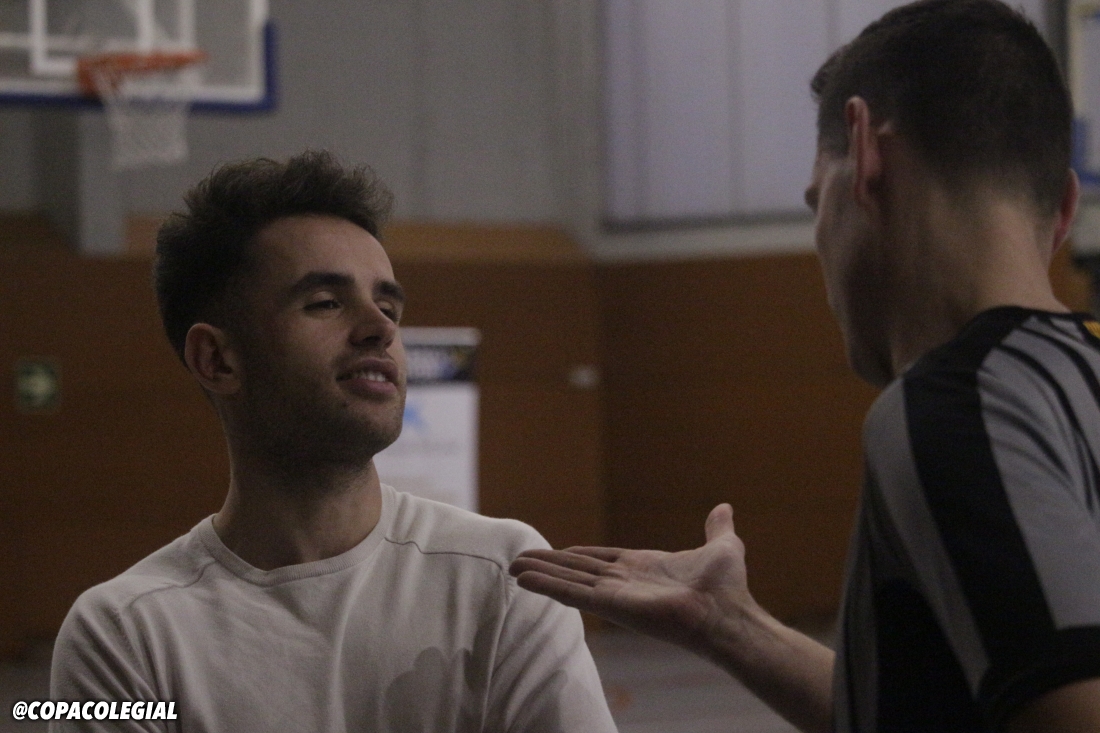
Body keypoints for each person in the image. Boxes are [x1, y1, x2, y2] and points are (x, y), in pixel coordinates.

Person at [510, 1, 1100, 731]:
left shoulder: (954, 406)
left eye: (817, 200)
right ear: (1065, 207)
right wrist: (728, 624)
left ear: (867, 152)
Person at [49, 151, 617, 732]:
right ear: (216, 359)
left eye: (388, 305)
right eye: (324, 303)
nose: (381, 328)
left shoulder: (504, 577)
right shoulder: (123, 635)